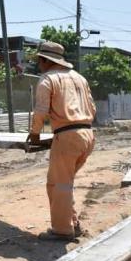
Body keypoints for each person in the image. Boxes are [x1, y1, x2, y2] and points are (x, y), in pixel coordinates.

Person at [27, 42, 96, 241]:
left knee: (59, 185)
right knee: (64, 183)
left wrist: (35, 134)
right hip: (87, 135)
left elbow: (40, 111)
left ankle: (62, 230)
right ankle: (72, 223)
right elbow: (92, 108)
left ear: (45, 60)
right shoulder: (80, 78)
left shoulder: (48, 79)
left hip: (67, 137)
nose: (38, 65)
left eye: (39, 60)